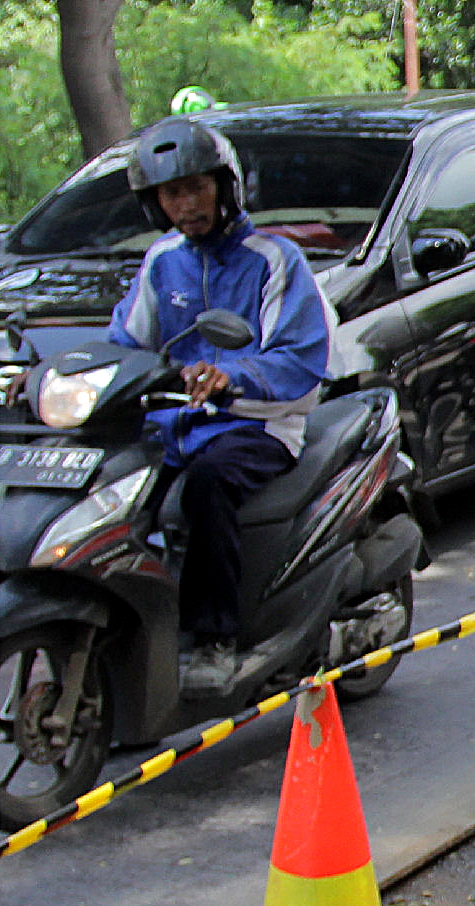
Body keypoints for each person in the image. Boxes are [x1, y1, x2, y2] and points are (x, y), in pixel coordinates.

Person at [106, 117, 331, 697]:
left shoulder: (274, 260)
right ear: (156, 203)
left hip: (256, 424)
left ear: (225, 186)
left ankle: (214, 639)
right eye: (171, 193)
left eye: (196, 188)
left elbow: (299, 358)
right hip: (175, 425)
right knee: (110, 484)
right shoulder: (161, 263)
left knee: (208, 485)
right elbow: (125, 344)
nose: (185, 204)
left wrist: (229, 377)